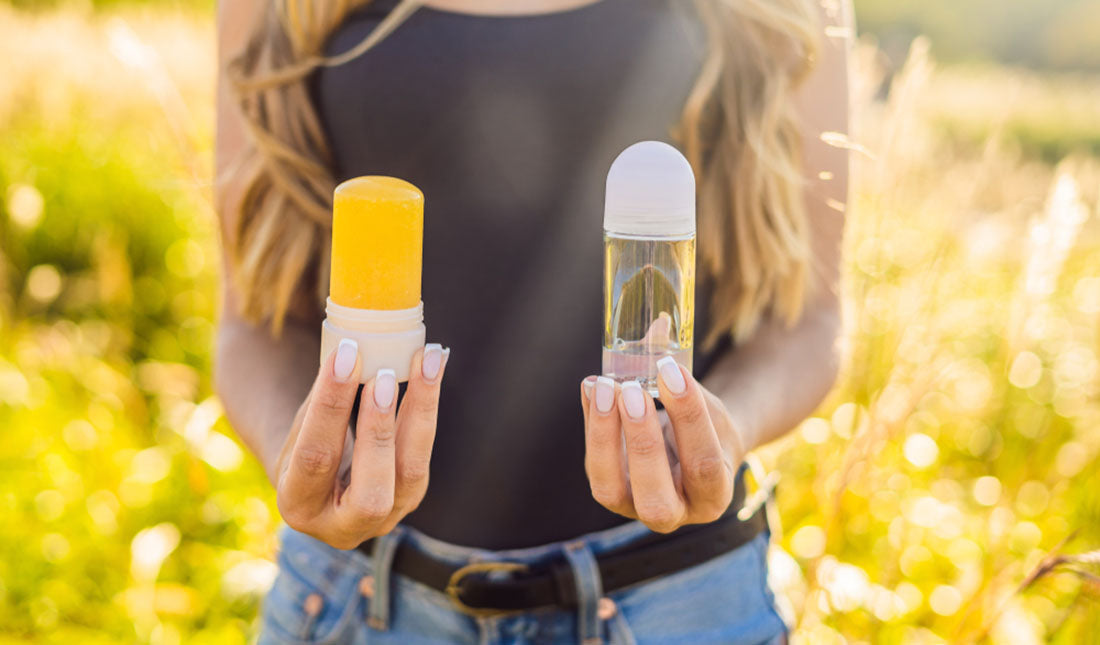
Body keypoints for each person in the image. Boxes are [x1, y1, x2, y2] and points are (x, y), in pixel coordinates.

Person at [214, 0, 849, 642]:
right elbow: (249, 324)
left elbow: (810, 321)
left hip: (678, 606)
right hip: (361, 599)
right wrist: (300, 458)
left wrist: (725, 428)